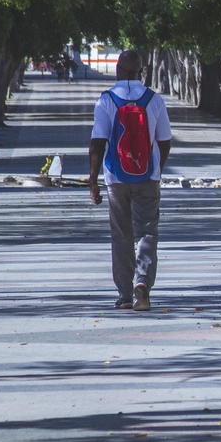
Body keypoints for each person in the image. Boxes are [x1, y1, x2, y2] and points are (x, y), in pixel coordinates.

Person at [87, 50, 172, 311]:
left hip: (116, 178)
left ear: (117, 70)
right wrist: (155, 168)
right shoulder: (154, 100)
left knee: (121, 235)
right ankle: (143, 285)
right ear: (140, 72)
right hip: (148, 176)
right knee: (147, 231)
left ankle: (124, 294)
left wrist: (93, 180)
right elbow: (165, 141)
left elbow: (98, 142)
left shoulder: (106, 100)